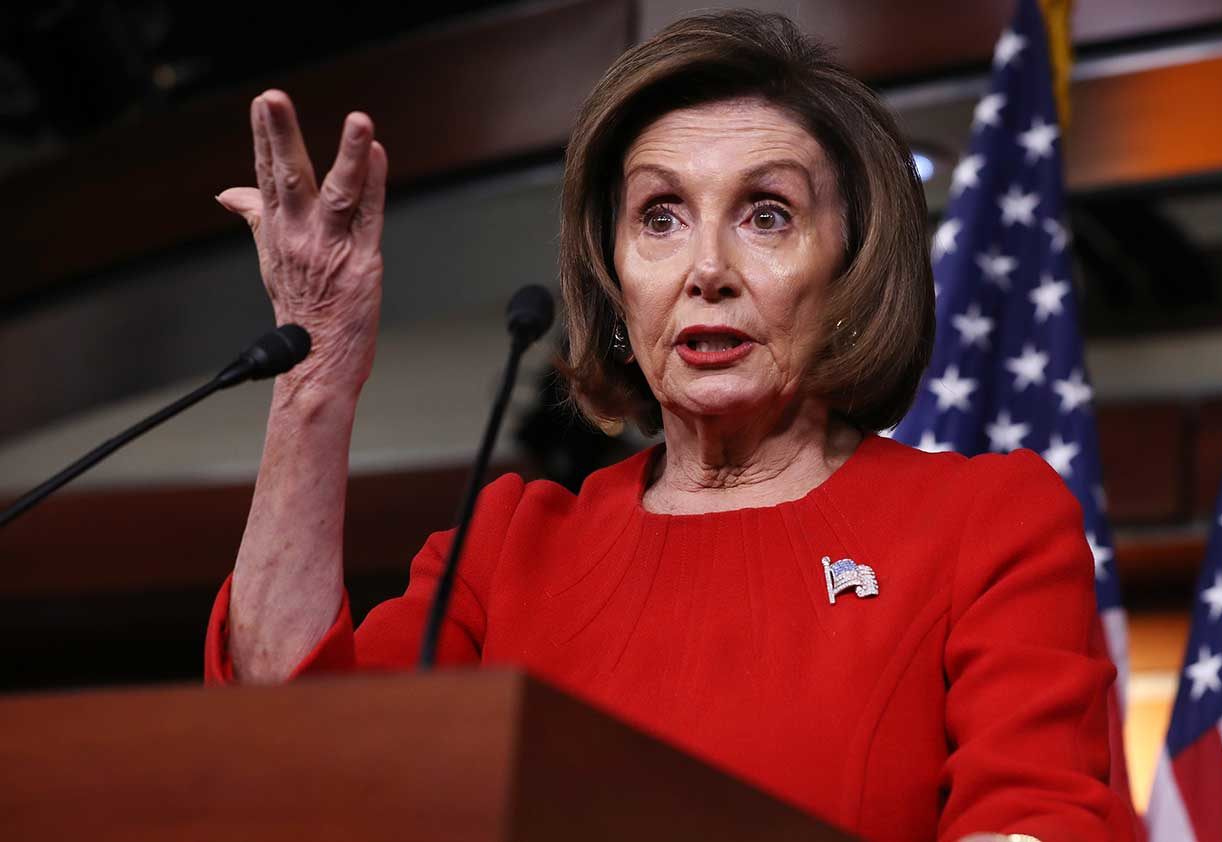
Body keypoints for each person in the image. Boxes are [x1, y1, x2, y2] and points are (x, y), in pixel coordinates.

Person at [208, 11, 1134, 842]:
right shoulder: (509, 550)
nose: (708, 268)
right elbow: (300, 751)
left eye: (767, 215)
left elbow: (1033, 815)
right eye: (661, 216)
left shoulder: (984, 524)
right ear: (613, 278)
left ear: (852, 267)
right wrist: (315, 381)